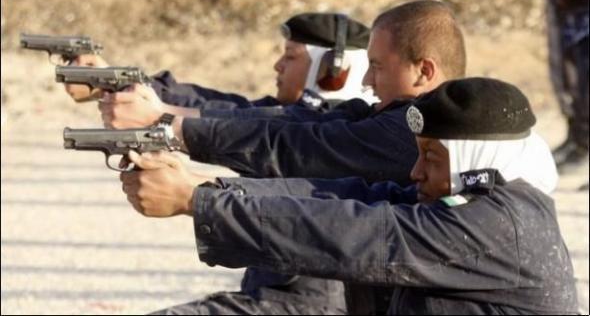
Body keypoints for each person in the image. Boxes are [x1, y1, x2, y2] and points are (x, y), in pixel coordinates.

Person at [104, 0, 467, 314]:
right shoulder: (384, 119)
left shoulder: (407, 132)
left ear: (424, 71)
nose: (370, 80)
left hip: (311, 301)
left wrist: (183, 162)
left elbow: (303, 161)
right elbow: (276, 124)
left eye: (379, 67)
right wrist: (167, 117)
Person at [120, 77, 578, 314]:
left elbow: (359, 235)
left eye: (432, 160)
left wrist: (197, 202)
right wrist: (206, 188)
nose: (415, 172)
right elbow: (344, 198)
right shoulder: (479, 206)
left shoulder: (495, 225)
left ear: (472, 161)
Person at [66, 12, 376, 124]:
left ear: (333, 70)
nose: (277, 65)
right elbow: (218, 107)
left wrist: (159, 112)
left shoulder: (343, 131)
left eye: (291, 57)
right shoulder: (296, 116)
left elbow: (242, 124)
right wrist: (124, 82)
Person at [543, 0, 589, 190]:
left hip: (583, 23)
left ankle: (582, 146)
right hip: (574, 27)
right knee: (576, 90)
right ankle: (579, 141)